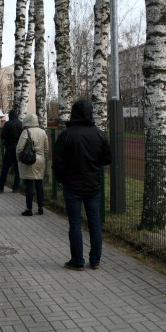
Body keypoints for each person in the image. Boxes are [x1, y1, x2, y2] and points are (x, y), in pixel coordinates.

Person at [52, 100, 111, 271]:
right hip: (93, 185)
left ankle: (77, 261)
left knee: (75, 224)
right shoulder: (100, 134)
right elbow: (107, 159)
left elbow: (58, 162)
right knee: (95, 223)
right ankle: (95, 260)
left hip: (72, 185)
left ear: (74, 113)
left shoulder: (67, 135)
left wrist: (62, 180)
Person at [17, 114, 49, 216]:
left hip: (29, 160)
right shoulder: (43, 132)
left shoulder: (26, 132)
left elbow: (19, 148)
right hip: (40, 160)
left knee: (29, 185)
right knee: (39, 184)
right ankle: (40, 208)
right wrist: (44, 158)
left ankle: (29, 208)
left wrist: (19, 160)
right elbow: (46, 149)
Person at [0, 110, 22, 194]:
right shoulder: (20, 124)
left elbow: (3, 136)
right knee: (17, 169)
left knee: (5, 168)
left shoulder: (8, 124)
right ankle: (16, 188)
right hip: (19, 148)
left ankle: (0, 188)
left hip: (10, 148)